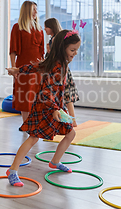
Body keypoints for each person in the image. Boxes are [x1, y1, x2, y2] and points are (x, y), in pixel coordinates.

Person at [6, 29, 81, 186]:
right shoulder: (57, 66)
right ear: (62, 48)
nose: (75, 53)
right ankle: (12, 170)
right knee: (33, 137)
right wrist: (54, 109)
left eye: (76, 50)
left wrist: (18, 70)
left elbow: (35, 66)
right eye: (72, 50)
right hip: (46, 107)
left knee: (70, 133)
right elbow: (46, 92)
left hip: (56, 107)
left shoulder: (57, 62)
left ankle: (55, 161)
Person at [9, 1, 44, 123]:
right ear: (27, 10)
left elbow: (42, 52)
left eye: (36, 9)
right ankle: (26, 123)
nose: (36, 12)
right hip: (23, 67)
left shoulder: (40, 29)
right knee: (25, 96)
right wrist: (14, 69)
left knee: (37, 95)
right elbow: (13, 50)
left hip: (38, 68)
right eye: (33, 9)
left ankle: (35, 121)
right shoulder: (17, 28)